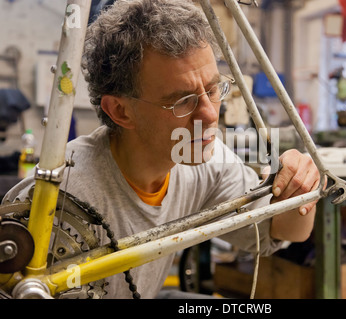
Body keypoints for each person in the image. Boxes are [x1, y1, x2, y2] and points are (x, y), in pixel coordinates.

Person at [3, 0, 321, 299]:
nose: (210, 114)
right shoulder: (62, 203)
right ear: (120, 111)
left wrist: (299, 191)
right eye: (182, 101)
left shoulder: (206, 161)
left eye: (213, 89)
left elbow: (282, 231)